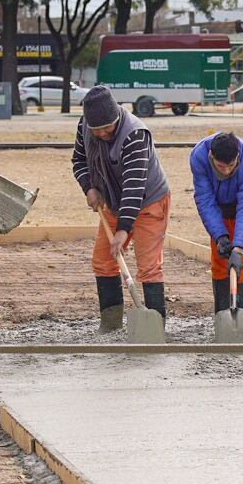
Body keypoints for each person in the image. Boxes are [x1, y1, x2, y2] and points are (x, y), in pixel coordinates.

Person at [72, 85, 171, 333]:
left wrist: (123, 230)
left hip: (149, 202)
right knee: (103, 261)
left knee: (148, 266)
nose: (104, 133)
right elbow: (79, 160)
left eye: (109, 127)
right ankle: (111, 323)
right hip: (113, 203)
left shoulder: (135, 134)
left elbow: (134, 187)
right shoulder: (84, 126)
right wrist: (89, 188)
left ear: (117, 116)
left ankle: (155, 328)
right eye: (98, 129)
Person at [190, 132, 243, 312]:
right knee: (220, 255)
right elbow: (205, 200)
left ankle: (242, 311)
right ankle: (222, 313)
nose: (226, 171)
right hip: (220, 205)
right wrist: (220, 236)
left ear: (237, 157)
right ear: (211, 156)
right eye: (221, 166)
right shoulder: (199, 157)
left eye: (231, 166)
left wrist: (239, 247)